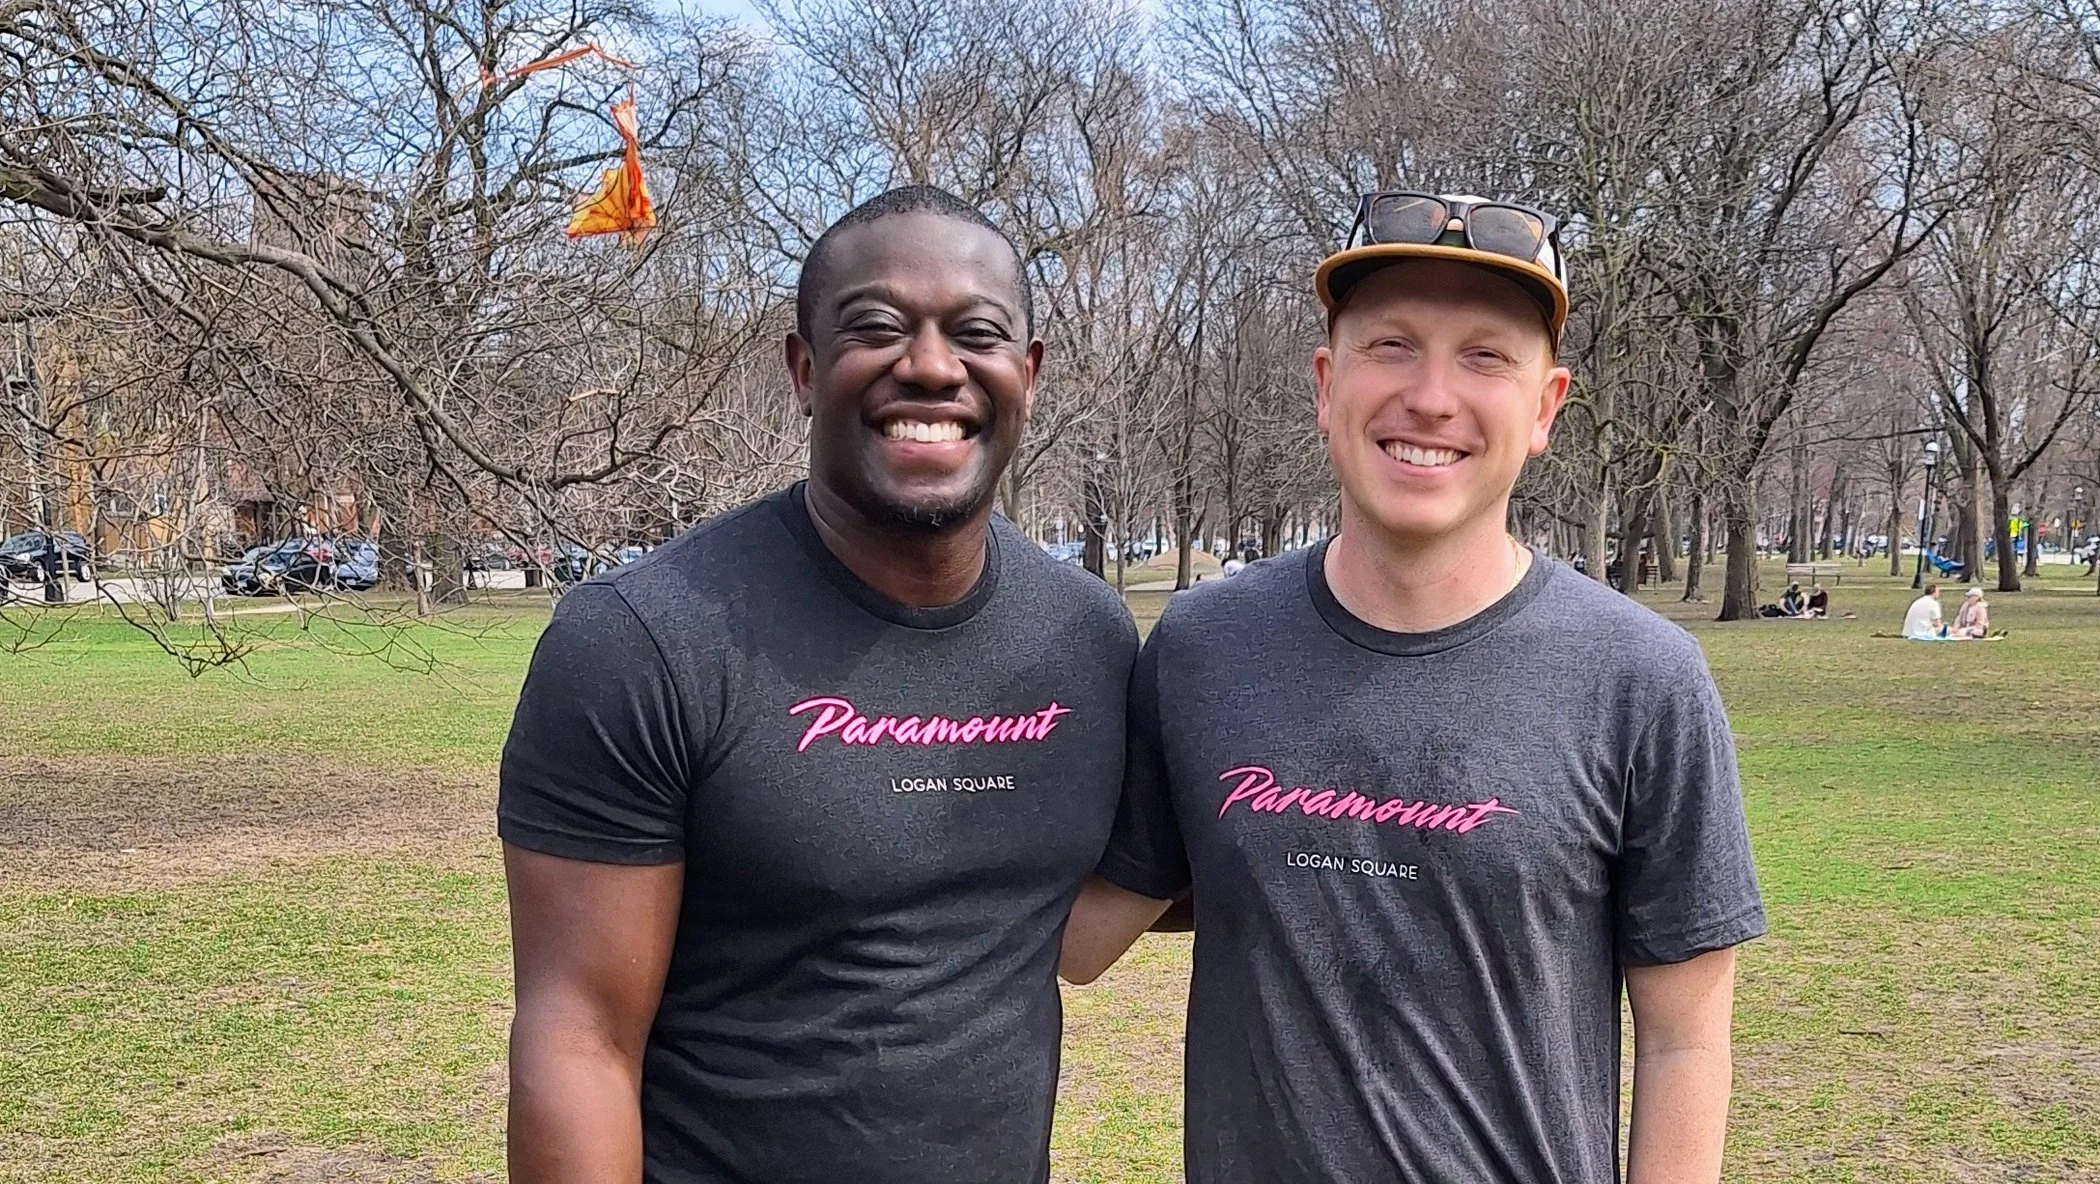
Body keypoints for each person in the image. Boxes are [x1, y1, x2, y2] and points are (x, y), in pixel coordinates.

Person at [1060, 190, 1766, 1182]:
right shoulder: (1201, 649)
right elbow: (1078, 939)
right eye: (1391, 345)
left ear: (1544, 407)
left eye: (1485, 356)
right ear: (1326, 383)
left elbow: (1685, 1040)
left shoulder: (1643, 679)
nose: (1431, 396)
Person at [497, 186, 1137, 1184]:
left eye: (977, 333)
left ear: (1029, 371)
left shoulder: (1085, 638)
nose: (932, 366)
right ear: (804, 369)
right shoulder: (638, 642)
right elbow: (580, 1039)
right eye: (877, 327)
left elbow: (1202, 858)